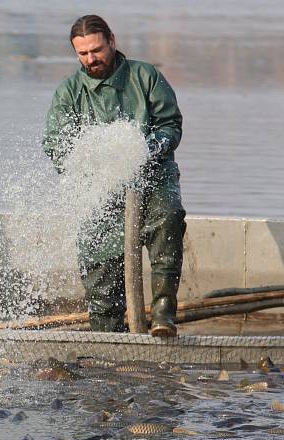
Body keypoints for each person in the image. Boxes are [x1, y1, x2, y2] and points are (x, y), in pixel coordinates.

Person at [43, 15, 186, 337]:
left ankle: (163, 315)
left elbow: (170, 125)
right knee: (98, 259)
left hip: (154, 177)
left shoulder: (144, 75)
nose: (91, 59)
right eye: (83, 54)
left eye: (96, 50)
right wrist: (84, 164)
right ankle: (106, 333)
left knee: (169, 219)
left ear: (112, 41)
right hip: (99, 187)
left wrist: (152, 148)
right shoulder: (69, 91)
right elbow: (55, 143)